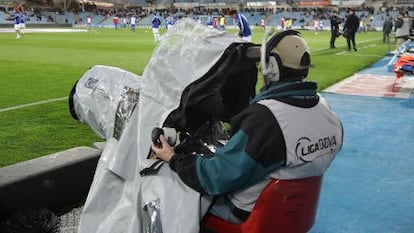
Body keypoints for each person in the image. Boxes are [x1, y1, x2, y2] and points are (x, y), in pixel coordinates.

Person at [152, 30, 343, 225]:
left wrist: (173, 158)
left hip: (249, 214)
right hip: (296, 210)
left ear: (272, 67)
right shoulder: (327, 111)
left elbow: (214, 178)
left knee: (174, 183)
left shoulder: (267, 117)